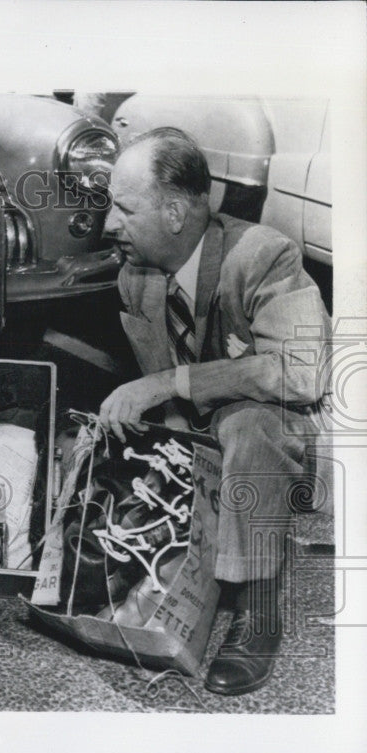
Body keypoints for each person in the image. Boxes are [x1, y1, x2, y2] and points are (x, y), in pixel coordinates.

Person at [98, 127, 330, 695]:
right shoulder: (137, 278)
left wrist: (170, 382)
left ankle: (258, 613)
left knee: (252, 423)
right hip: (206, 433)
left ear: (175, 213)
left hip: (288, 441)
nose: (108, 224)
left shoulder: (263, 255)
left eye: (123, 209)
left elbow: (302, 373)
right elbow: (168, 407)